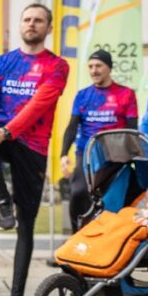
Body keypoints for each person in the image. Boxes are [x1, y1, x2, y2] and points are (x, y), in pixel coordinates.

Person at [0, 4, 70, 296]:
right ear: (20, 25)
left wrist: (6, 132)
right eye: (26, 19)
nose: (32, 24)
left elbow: (39, 105)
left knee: (26, 224)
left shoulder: (57, 66)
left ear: (49, 28)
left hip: (32, 146)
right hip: (1, 134)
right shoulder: (3, 63)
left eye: (39, 20)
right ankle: (2, 199)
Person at [59, 50, 138, 230]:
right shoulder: (82, 95)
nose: (94, 70)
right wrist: (64, 154)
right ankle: (76, 235)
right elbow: (72, 126)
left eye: (98, 66)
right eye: (91, 67)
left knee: (111, 201)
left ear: (109, 68)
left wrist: (133, 156)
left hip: (115, 157)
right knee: (78, 193)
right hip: (86, 154)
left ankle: (106, 241)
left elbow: (133, 129)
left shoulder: (126, 94)